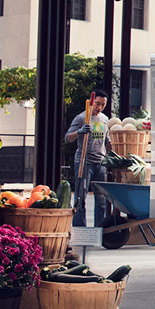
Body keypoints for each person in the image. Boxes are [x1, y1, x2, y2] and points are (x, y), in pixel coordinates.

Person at [64, 89, 111, 227]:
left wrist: (110, 159)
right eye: (97, 104)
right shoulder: (81, 118)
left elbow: (107, 141)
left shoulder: (104, 119)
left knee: (101, 200)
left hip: (100, 164)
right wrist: (79, 131)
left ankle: (99, 230)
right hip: (84, 162)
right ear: (91, 102)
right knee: (81, 198)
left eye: (103, 105)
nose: (99, 107)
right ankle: (80, 230)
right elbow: (68, 138)